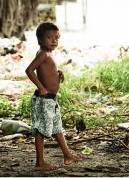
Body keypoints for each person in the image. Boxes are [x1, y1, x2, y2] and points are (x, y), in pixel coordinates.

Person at [25, 22, 83, 171]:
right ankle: (40, 163)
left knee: (57, 128)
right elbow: (29, 70)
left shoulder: (49, 54)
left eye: (57, 37)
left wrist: (58, 74)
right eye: (50, 37)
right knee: (41, 130)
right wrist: (41, 87)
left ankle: (67, 155)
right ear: (40, 40)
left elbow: (46, 72)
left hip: (51, 100)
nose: (54, 41)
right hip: (44, 100)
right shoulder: (43, 54)